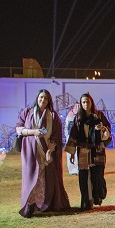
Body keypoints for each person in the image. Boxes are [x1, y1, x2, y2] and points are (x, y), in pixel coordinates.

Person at [15, 88, 70, 217]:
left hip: (45, 153)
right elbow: (18, 129)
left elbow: (55, 136)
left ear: (49, 100)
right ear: (37, 98)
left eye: (45, 98)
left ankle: (43, 204)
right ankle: (29, 204)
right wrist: (33, 132)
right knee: (30, 177)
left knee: (43, 178)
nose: (43, 100)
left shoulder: (53, 116)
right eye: (41, 97)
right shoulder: (27, 113)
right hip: (30, 152)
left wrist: (50, 151)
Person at [65, 93, 111, 210]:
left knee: (97, 176)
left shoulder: (99, 115)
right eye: (83, 102)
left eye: (88, 102)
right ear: (81, 104)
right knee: (83, 177)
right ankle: (86, 201)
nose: (86, 104)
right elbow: (73, 135)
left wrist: (103, 129)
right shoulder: (78, 118)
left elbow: (107, 130)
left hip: (97, 149)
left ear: (91, 102)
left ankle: (97, 197)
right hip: (83, 150)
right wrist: (71, 152)